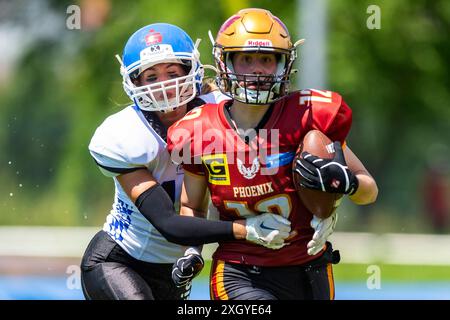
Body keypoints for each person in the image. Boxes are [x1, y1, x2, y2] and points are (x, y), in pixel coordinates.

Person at [167, 8, 378, 300]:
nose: (257, 70)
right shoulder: (198, 129)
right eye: (246, 59)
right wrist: (191, 250)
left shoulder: (307, 117)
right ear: (225, 62)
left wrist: (345, 184)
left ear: (283, 64)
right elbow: (192, 207)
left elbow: (369, 190)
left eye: (266, 59)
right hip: (239, 271)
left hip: (308, 267)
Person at [80, 22, 292, 300]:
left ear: (192, 70)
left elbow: (291, 120)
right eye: (151, 77)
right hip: (121, 260)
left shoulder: (220, 108)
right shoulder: (123, 135)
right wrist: (246, 230)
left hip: (173, 273)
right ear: (134, 83)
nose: (165, 85)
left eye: (172, 72)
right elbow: (169, 223)